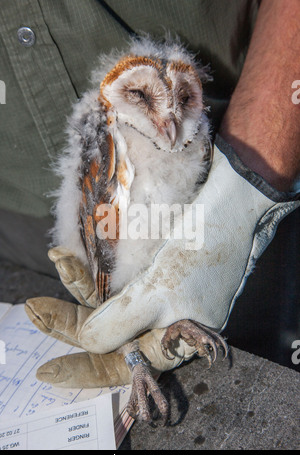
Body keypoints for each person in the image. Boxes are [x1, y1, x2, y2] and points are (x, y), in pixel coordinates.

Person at [1, 0, 299, 387]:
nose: (169, 122)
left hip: (249, 155)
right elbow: (107, 256)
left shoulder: (196, 136)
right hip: (16, 216)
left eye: (185, 101)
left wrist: (238, 199)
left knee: (249, 377)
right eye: (143, 98)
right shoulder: (111, 149)